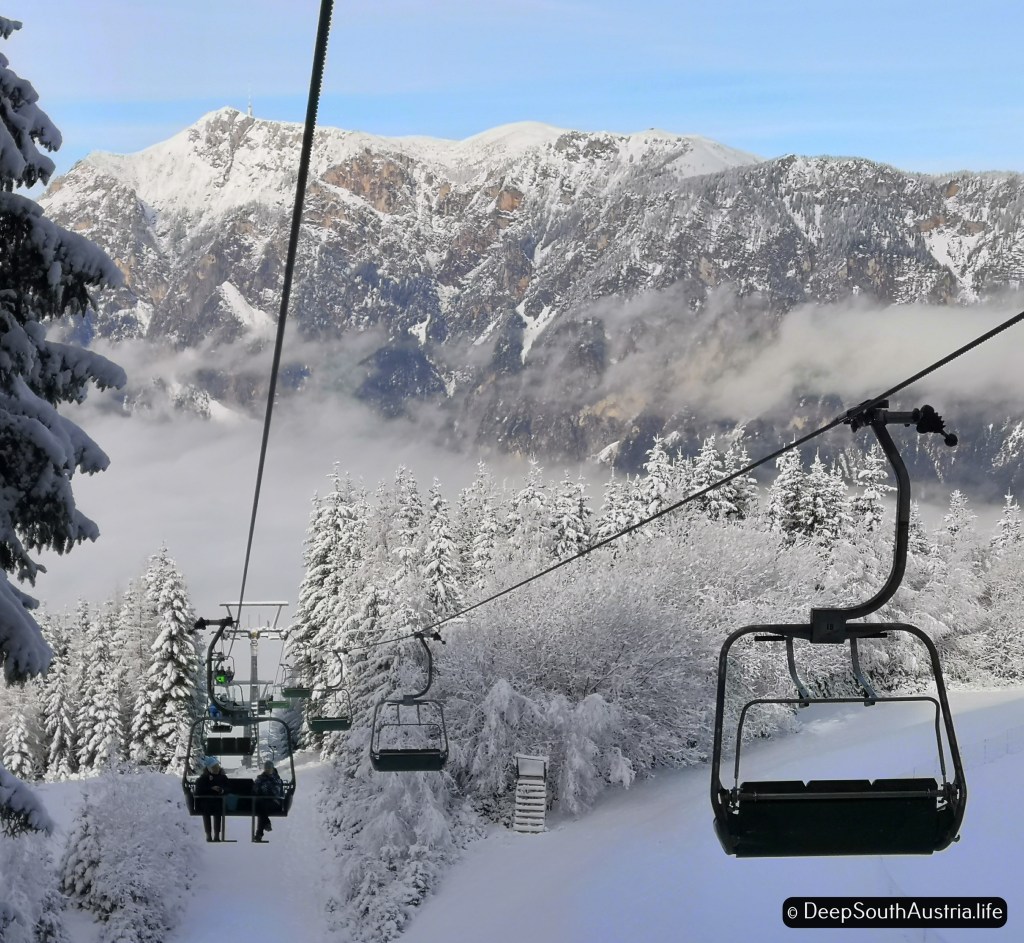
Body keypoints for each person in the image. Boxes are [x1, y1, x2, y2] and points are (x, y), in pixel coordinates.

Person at [195, 758, 230, 842]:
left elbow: (228, 787)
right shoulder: (203, 778)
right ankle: (208, 834)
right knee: (206, 811)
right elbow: (199, 789)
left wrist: (222, 790)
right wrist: (211, 789)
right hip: (206, 801)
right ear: (209, 768)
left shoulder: (222, 777)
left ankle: (217, 835)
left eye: (217, 767)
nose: (216, 769)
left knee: (218, 812)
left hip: (218, 801)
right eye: (214, 768)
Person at [253, 760, 284, 842]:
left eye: (269, 769)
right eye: (266, 769)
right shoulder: (260, 778)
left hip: (275, 802)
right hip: (263, 803)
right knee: (260, 807)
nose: (268, 770)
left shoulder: (276, 779)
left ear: (272, 769)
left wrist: (265, 786)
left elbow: (276, 792)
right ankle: (264, 827)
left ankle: (259, 833)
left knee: (261, 807)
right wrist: (257, 787)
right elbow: (255, 788)